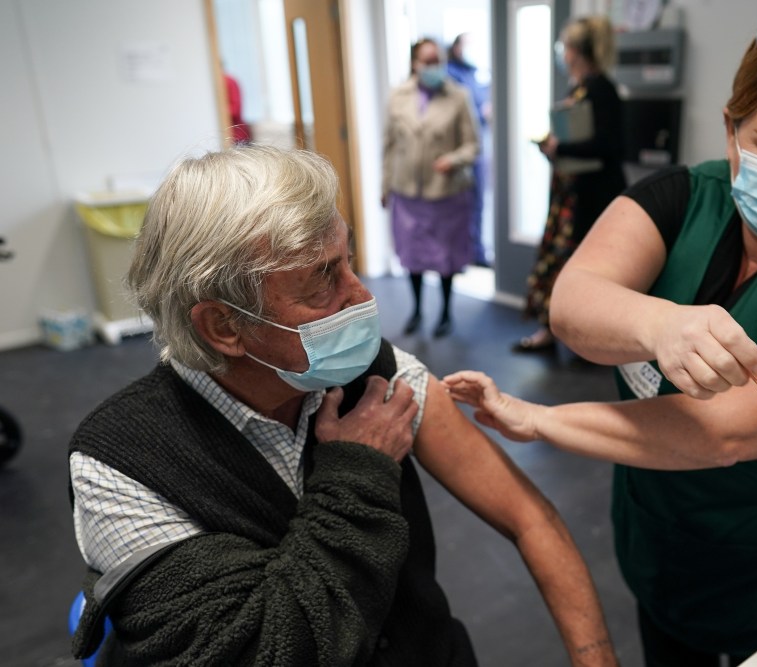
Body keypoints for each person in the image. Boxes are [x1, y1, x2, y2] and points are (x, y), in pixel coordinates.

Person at [445, 2, 757, 664]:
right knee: (670, 632)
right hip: (666, 521)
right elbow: (572, 305)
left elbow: (725, 432)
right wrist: (659, 321)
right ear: (731, 127)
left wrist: (542, 420)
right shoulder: (682, 194)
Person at [68, 145, 620, 666]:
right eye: (322, 281)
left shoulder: (377, 374)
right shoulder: (117, 469)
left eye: (348, 259)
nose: (362, 296)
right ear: (224, 326)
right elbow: (266, 651)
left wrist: (596, 657)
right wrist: (358, 471)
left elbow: (531, 520)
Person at [515, 16, 625, 353]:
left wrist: (559, 148)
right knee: (559, 262)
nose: (562, 54)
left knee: (580, 267)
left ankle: (582, 341)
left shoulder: (600, 90)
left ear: (575, 51)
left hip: (588, 199)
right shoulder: (580, 88)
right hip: (570, 196)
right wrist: (554, 148)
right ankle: (553, 332)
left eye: (565, 48)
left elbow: (608, 146)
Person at [382, 37, 479, 339]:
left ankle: (446, 312)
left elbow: (473, 144)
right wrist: (384, 186)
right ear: (415, 63)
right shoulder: (398, 96)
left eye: (437, 60)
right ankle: (417, 310)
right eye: (427, 61)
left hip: (446, 193)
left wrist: (453, 159)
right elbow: (388, 146)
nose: (433, 66)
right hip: (408, 192)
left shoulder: (458, 96)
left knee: (446, 258)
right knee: (413, 256)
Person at [446, 32, 491, 267]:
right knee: (462, 207)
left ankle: (477, 252)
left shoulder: (474, 74)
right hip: (457, 154)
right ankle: (465, 253)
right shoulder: (450, 76)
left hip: (476, 147)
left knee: (478, 203)